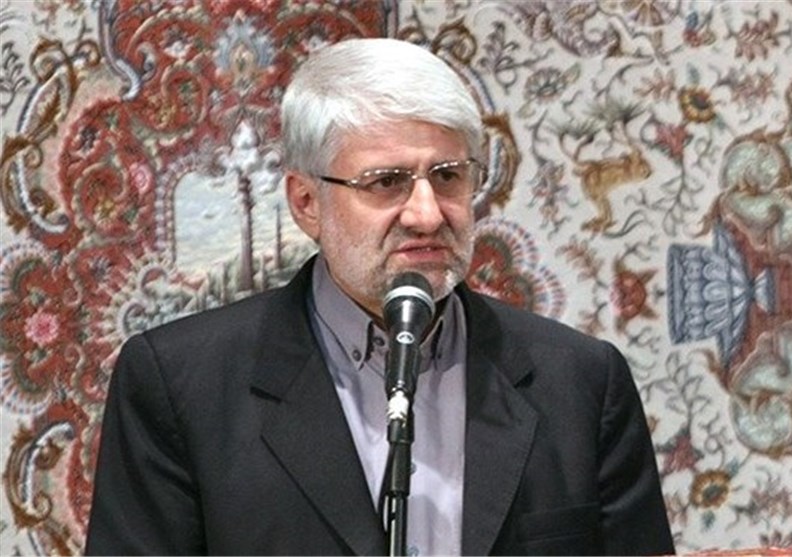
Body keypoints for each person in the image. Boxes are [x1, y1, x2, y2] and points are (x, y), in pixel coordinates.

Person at [84, 38, 675, 556]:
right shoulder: (180, 385)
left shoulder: (581, 382)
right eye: (386, 182)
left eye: (448, 176)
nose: (426, 213)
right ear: (306, 203)